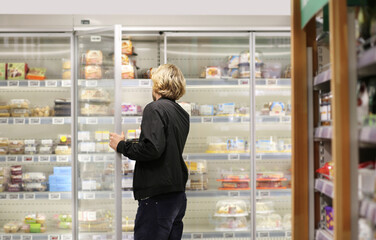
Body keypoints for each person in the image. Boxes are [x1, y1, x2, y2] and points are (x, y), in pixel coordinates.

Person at [109, 64, 190, 240]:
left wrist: (121, 145)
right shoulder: (181, 113)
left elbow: (152, 149)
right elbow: (163, 146)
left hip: (157, 196)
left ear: (157, 85)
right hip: (177, 195)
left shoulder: (155, 108)